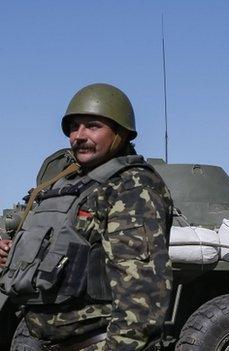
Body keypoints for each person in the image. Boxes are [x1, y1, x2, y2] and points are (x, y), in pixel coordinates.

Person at [0, 83, 173, 350]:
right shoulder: (67, 183)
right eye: (74, 127)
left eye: (92, 126)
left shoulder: (132, 188)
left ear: (121, 132)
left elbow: (142, 298)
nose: (79, 135)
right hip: (41, 339)